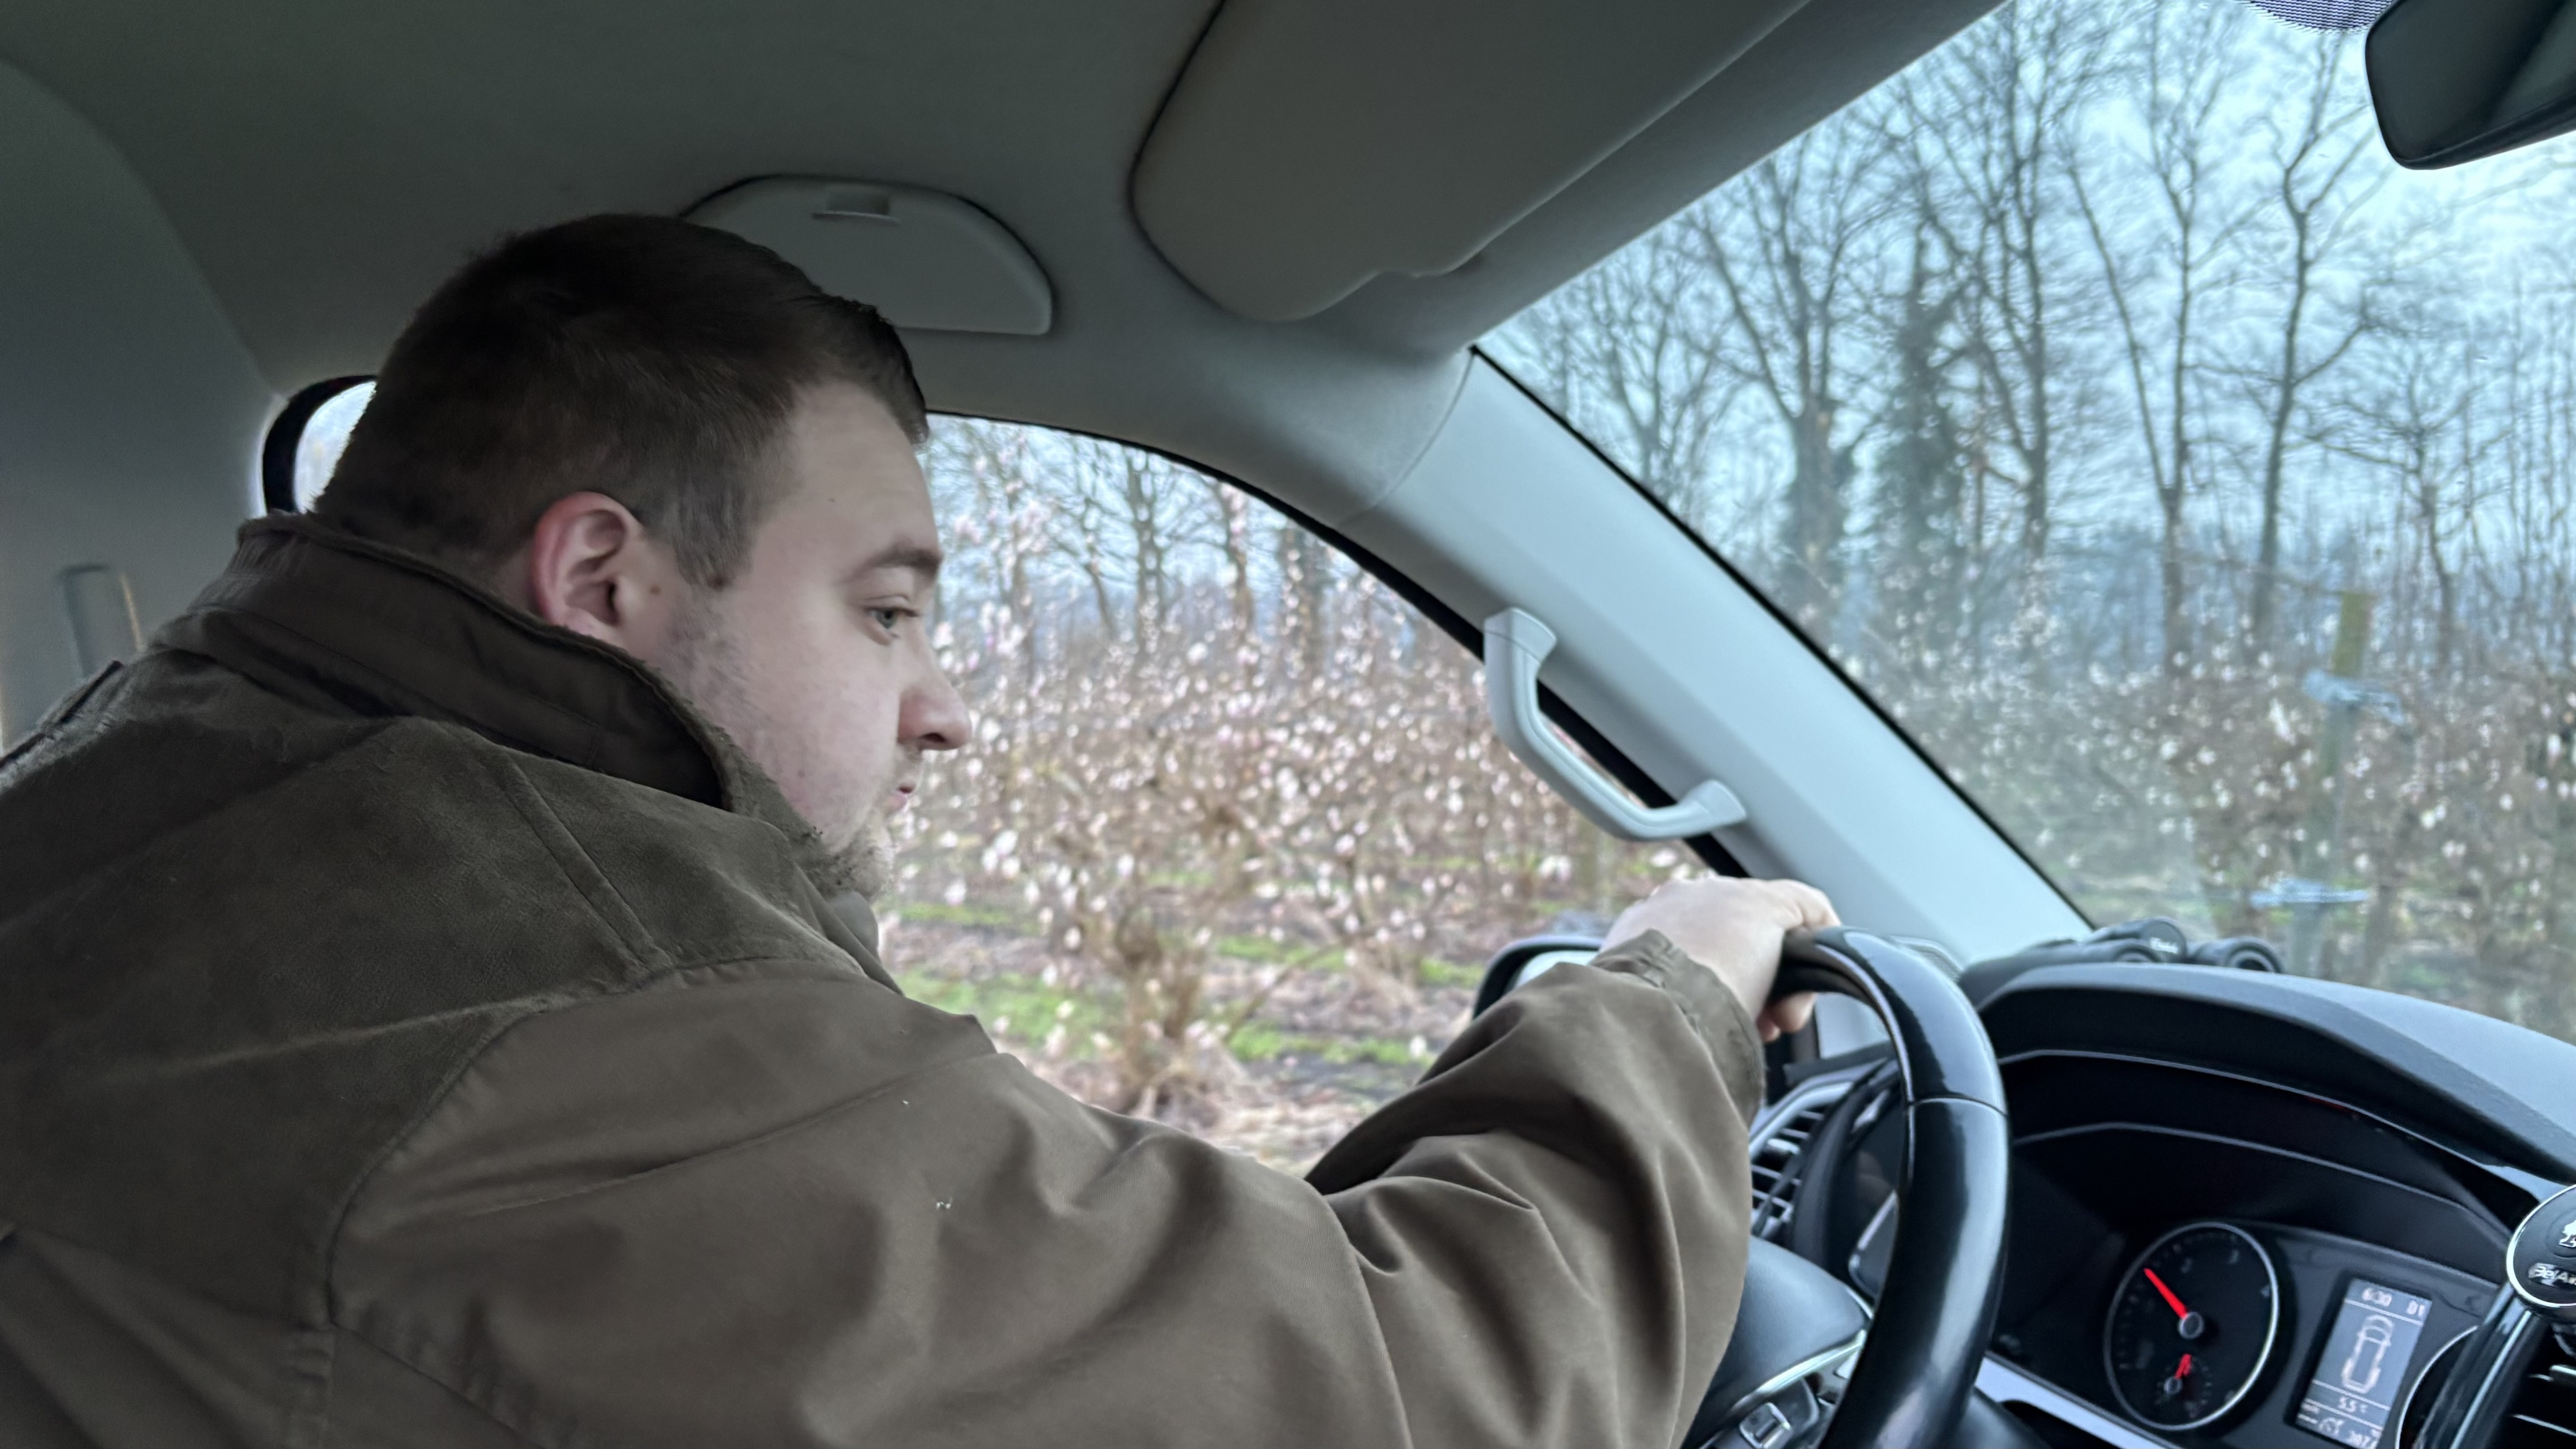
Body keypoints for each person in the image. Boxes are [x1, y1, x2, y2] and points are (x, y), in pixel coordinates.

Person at [0, 214, 1832, 1448]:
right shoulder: (579, 1015)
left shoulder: (145, 788)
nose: (942, 701)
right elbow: (1409, 1395)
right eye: (887, 608)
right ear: (602, 577)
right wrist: (1661, 1006)